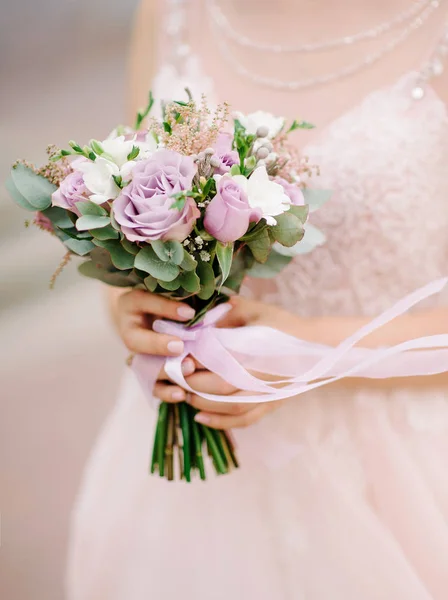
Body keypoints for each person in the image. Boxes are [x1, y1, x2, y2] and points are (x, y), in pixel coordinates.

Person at [66, 1, 448, 598]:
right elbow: (119, 227)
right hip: (185, 480)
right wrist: (136, 313)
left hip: (400, 475)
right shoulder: (169, 10)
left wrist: (301, 353)